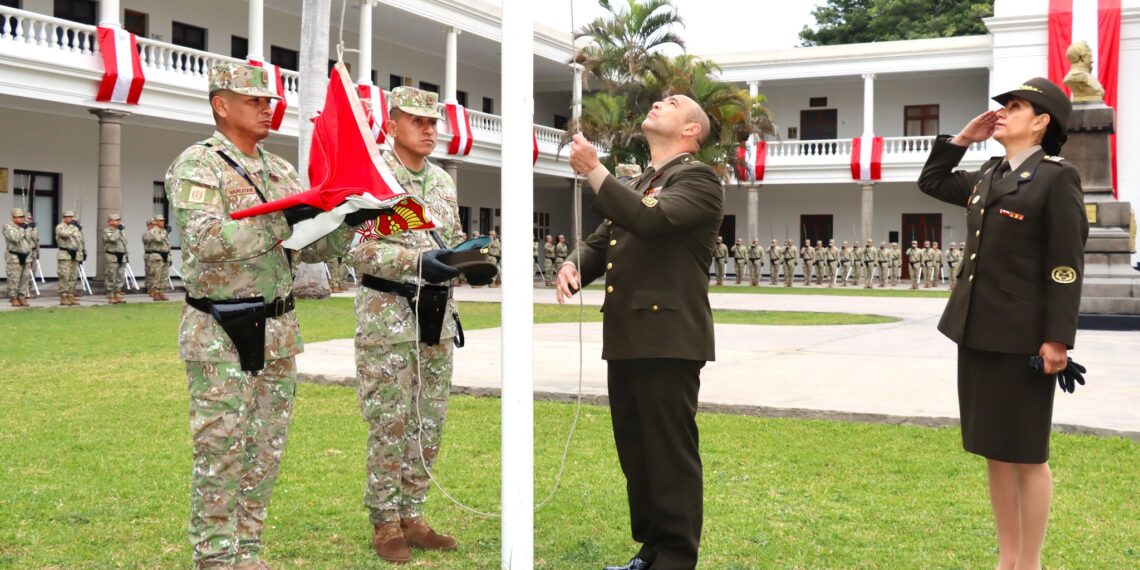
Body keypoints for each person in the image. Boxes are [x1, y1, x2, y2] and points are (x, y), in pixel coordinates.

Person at [165, 62, 353, 569]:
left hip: (277, 329)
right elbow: (205, 242)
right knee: (221, 448)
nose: (268, 107)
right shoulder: (197, 166)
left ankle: (247, 552)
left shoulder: (280, 171)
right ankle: (214, 558)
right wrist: (280, 219)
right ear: (221, 104)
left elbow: (309, 247)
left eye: (270, 100)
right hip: (220, 330)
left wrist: (346, 221)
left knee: (265, 450)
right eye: (255, 100)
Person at [917, 76, 1086, 570]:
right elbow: (931, 182)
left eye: (1015, 107)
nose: (1003, 113)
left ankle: (1029, 562)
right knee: (994, 449)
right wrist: (961, 141)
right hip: (976, 329)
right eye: (1004, 106)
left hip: (1024, 338)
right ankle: (1006, 558)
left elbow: (1065, 265)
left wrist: (1057, 339)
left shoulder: (1057, 178)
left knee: (1027, 453)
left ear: (1040, 122)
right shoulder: (989, 174)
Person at [560, 93, 721, 570]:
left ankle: (675, 556)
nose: (656, 103)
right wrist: (573, 265)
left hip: (668, 338)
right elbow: (600, 241)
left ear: (691, 129)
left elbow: (649, 219)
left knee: (668, 453)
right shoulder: (637, 181)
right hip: (629, 335)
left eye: (670, 103)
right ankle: (651, 551)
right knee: (637, 452)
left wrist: (594, 170)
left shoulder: (699, 178)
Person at [344, 86, 465, 564]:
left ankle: (413, 515)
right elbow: (356, 248)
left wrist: (471, 258)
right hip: (388, 319)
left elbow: (452, 239)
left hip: (435, 316)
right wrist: (419, 261)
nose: (429, 129)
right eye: (416, 120)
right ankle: (384, 522)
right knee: (389, 423)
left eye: (433, 122)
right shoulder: (371, 178)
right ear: (391, 124)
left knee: (428, 422)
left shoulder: (441, 182)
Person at [4, 208, 33, 307]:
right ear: (13, 217)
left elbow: (29, 239)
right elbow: (14, 238)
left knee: (25, 278)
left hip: (26, 255)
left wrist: (29, 228)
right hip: (14, 256)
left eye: (22, 217)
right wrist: (22, 229)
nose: (21, 219)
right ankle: (13, 297)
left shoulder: (25, 227)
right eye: (19, 217)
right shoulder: (8, 226)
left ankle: (22, 296)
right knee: (14, 278)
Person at [55, 210, 84, 306]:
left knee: (73, 276)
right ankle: (63, 296)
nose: (70, 218)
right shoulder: (60, 227)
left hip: (74, 254)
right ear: (64, 217)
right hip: (65, 254)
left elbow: (79, 240)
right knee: (64, 276)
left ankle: (70, 295)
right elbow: (64, 234)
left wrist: (81, 253)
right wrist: (73, 227)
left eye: (71, 217)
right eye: (68, 217)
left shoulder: (74, 228)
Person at [143, 215, 172, 301]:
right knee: (156, 275)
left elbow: (167, 245)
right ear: (155, 222)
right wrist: (166, 232)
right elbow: (158, 240)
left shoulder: (164, 231)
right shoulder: (152, 231)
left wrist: (170, 256)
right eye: (160, 221)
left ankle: (161, 292)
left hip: (165, 254)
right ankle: (156, 293)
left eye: (163, 220)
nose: (162, 222)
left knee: (164, 275)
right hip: (157, 255)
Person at [102, 214, 128, 304]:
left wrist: (126, 254)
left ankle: (118, 294)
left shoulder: (121, 231)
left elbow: (124, 243)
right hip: (112, 255)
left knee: (120, 276)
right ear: (110, 221)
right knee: (111, 275)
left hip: (122, 255)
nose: (118, 221)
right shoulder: (107, 230)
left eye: (119, 220)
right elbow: (112, 239)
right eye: (116, 220)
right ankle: (111, 294)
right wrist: (118, 231)